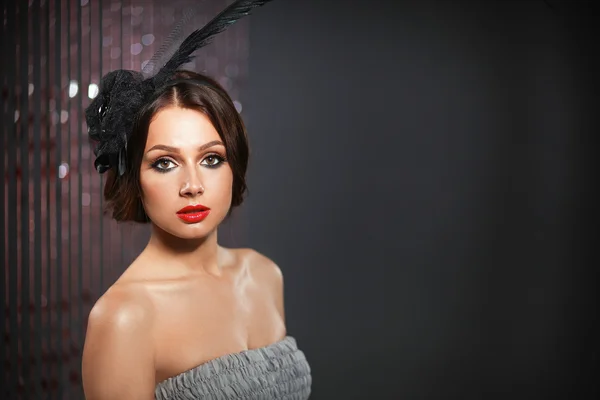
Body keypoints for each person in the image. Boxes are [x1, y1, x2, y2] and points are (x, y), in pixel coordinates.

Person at [80, 2, 311, 399]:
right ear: (135, 176)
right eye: (165, 162)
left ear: (234, 164)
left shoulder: (264, 275)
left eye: (211, 159)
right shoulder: (124, 317)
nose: (192, 185)